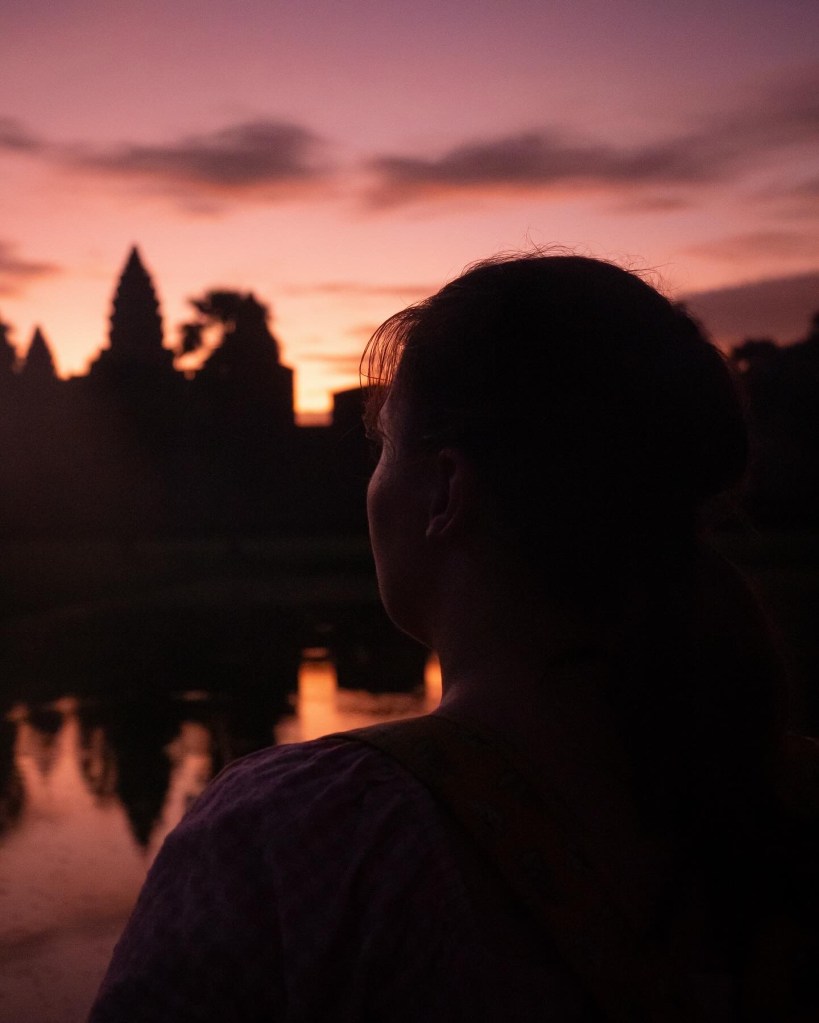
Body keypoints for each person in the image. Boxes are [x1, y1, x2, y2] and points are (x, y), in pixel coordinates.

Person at [87, 251, 818, 1022]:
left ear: (444, 489)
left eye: (380, 448)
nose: (367, 485)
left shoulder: (294, 837)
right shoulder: (792, 798)